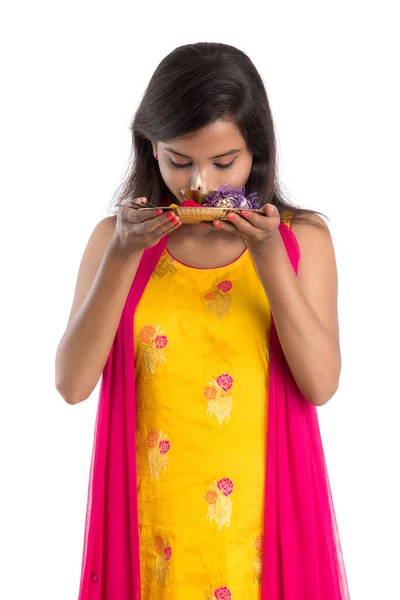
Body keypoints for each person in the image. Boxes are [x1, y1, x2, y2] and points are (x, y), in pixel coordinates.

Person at [55, 42, 349, 600]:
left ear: (256, 150)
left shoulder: (303, 240)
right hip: (152, 533)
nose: (201, 186)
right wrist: (121, 255)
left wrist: (268, 258)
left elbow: (322, 384)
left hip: (264, 537)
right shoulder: (114, 244)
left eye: (224, 161)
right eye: (180, 161)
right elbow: (72, 385)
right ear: (151, 148)